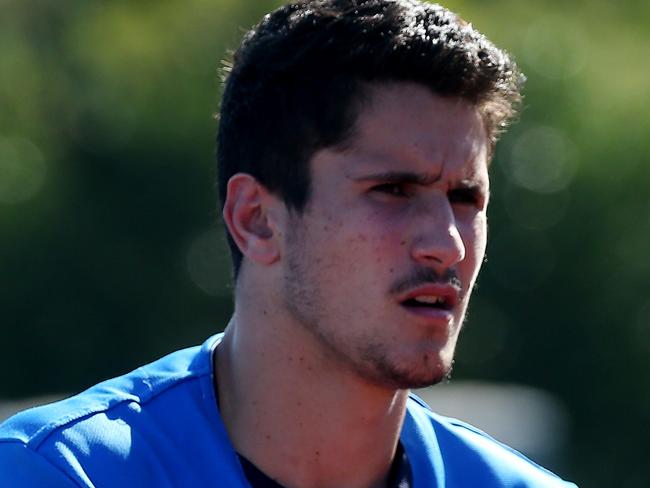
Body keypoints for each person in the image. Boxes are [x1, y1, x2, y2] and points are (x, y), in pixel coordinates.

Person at [0, 1, 578, 486]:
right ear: (256, 219)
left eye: (464, 198)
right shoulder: (57, 473)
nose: (446, 245)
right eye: (394, 190)